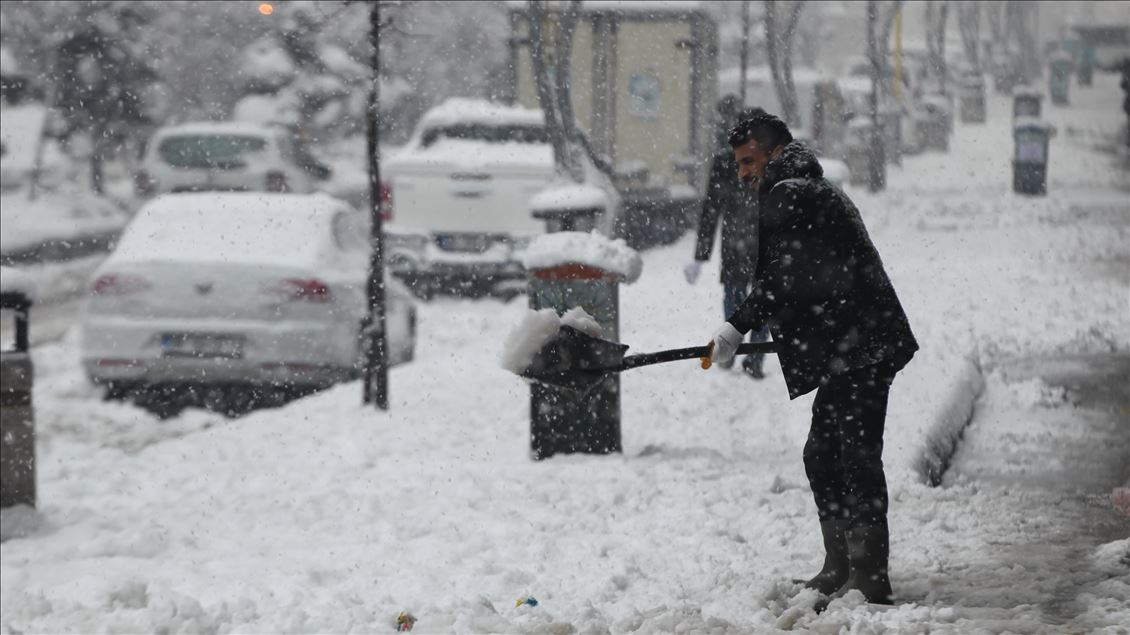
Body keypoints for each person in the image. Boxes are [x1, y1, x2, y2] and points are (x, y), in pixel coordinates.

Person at [706, 112, 919, 604]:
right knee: (824, 454)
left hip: (862, 346)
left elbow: (786, 274)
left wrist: (736, 325)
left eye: (747, 161)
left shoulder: (794, 192)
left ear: (772, 149)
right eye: (737, 164)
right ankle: (840, 564)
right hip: (855, 343)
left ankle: (868, 574)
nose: (741, 173)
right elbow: (808, 279)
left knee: (854, 456)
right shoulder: (803, 188)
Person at [685, 97, 770, 378]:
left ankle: (731, 347)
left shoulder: (725, 160)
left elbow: (711, 209)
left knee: (734, 297)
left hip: (736, 242)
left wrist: (701, 254)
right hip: (765, 244)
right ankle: (755, 358)